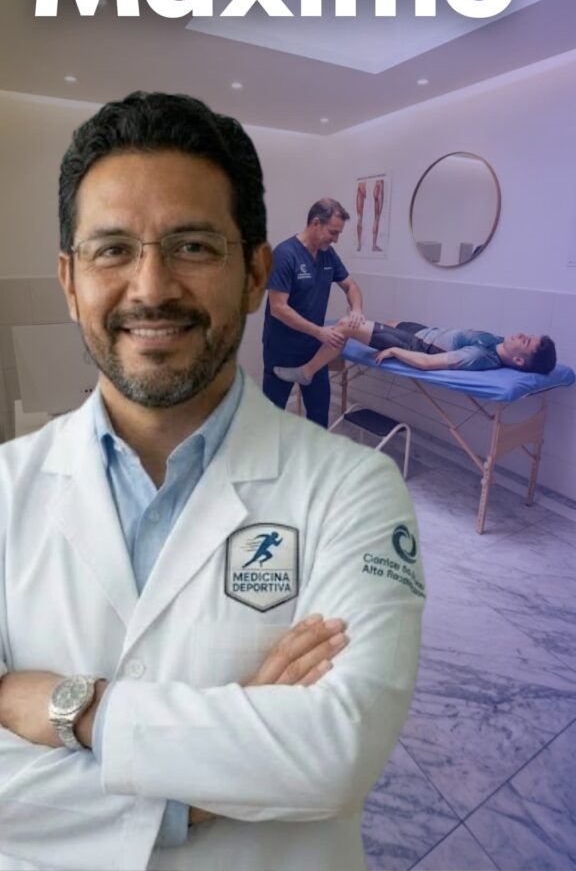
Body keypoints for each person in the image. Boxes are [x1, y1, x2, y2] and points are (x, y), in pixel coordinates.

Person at [0, 92, 424, 871]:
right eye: (112, 249)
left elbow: (335, 751)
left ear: (255, 273)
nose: (151, 288)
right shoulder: (5, 488)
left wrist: (75, 710)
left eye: (193, 245)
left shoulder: (356, 490)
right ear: (69, 280)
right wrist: (207, 782)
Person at [262, 199, 364, 426]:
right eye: (333, 232)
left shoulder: (328, 255)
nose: (335, 239)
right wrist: (319, 332)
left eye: (338, 234)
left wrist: (356, 310)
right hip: (282, 349)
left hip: (313, 351)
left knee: (319, 413)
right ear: (316, 223)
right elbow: (278, 308)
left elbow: (350, 286)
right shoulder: (285, 255)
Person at [273, 316, 557, 384]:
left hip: (415, 344)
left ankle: (307, 372)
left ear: (518, 360)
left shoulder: (481, 357)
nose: (523, 335)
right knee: (386, 320)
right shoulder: (498, 341)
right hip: (422, 330)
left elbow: (428, 363)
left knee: (346, 324)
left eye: (526, 342)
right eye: (528, 335)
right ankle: (328, 353)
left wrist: (396, 352)